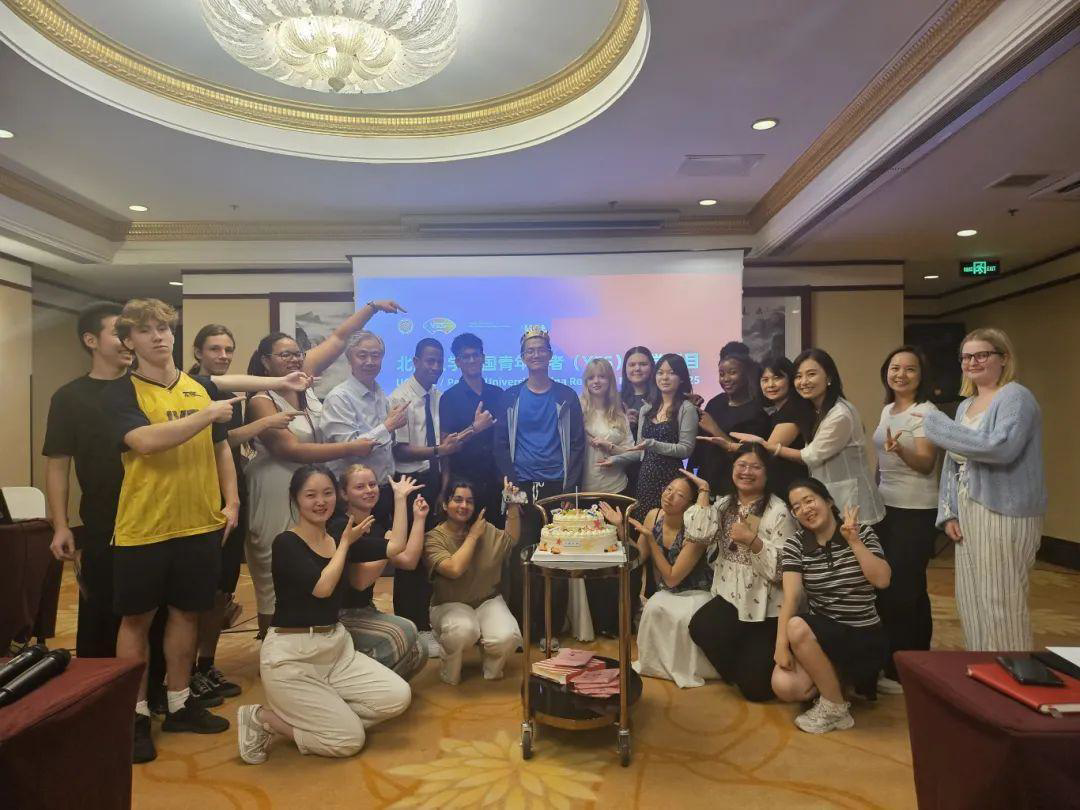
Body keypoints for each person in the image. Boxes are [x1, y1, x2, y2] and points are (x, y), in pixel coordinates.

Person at [104, 298, 310, 763]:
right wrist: (207, 415)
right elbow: (145, 442)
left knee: (187, 615)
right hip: (144, 525)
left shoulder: (196, 387)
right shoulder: (121, 392)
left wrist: (231, 500)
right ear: (130, 341)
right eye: (146, 330)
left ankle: (180, 702)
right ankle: (135, 714)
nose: (158, 337)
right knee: (136, 621)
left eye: (164, 328)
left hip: (199, 523)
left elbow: (220, 449)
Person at [235, 465, 411, 764]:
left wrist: (400, 498)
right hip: (292, 658)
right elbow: (322, 587)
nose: (321, 502)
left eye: (327, 493)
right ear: (295, 498)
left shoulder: (339, 539)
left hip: (336, 649)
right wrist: (345, 545)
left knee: (398, 697)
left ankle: (328, 716)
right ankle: (262, 718)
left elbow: (396, 546)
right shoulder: (286, 543)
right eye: (311, 495)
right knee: (349, 741)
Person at [247, 301, 403, 635]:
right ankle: (273, 642)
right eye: (284, 355)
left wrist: (372, 308)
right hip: (276, 487)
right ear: (265, 361)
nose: (294, 359)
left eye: (297, 353)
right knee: (274, 570)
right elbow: (289, 449)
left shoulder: (302, 383)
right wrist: (354, 446)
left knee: (316, 560)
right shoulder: (262, 397)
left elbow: (338, 338)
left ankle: (316, 633)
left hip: (311, 487)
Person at [188, 324, 298, 700]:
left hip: (231, 498)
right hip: (199, 499)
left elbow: (227, 445)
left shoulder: (228, 392)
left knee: (222, 590)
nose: (222, 355)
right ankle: (184, 673)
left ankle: (205, 664)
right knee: (198, 594)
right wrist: (264, 423)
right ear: (197, 352)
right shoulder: (190, 389)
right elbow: (214, 440)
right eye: (214, 349)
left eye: (228, 349)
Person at [922, 328, 1046, 651]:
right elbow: (952, 462)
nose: (972, 362)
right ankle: (983, 670)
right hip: (967, 505)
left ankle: (1012, 673)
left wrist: (936, 424)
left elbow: (1000, 447)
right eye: (966, 357)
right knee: (971, 599)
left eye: (982, 355)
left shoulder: (1015, 397)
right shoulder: (966, 405)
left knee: (1001, 600)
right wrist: (949, 512)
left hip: (1004, 508)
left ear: (1004, 358)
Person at [43, 302, 130, 659]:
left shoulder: (145, 388)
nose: (128, 341)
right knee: (101, 612)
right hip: (102, 520)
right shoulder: (69, 397)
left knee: (151, 613)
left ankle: (154, 686)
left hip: (156, 516)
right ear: (91, 340)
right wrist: (61, 525)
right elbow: (58, 465)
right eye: (119, 333)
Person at [772, 479, 891, 734]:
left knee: (798, 626)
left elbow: (882, 580)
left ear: (828, 501)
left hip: (863, 636)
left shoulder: (860, 531)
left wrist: (854, 542)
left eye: (809, 500)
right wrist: (780, 646)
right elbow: (791, 598)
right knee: (784, 685)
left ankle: (835, 708)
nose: (805, 509)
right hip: (824, 636)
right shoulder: (795, 544)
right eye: (796, 507)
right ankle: (836, 685)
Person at [494, 327, 585, 649]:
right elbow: (501, 444)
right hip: (520, 486)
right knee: (521, 560)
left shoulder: (566, 396)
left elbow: (577, 445)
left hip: (556, 487)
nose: (535, 354)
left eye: (540, 349)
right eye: (530, 350)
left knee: (555, 558)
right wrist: (511, 484)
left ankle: (550, 628)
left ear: (549, 355)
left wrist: (570, 489)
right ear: (523, 357)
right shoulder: (510, 397)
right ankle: (523, 628)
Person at [685, 444, 797, 702]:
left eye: (756, 467)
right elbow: (698, 535)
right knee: (701, 627)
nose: (747, 472)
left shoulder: (778, 511)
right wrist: (703, 492)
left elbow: (782, 570)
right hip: (730, 597)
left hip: (766, 606)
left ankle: (755, 668)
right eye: (741, 465)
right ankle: (746, 667)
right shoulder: (725, 504)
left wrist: (752, 540)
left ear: (767, 473)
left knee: (757, 692)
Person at [739, 349, 885, 527]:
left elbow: (811, 455)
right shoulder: (813, 409)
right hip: (823, 499)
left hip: (851, 504)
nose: (804, 381)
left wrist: (766, 446)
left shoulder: (839, 414)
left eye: (811, 374)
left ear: (829, 377)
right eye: (799, 376)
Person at [389, 338, 471, 653]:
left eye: (439, 362)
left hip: (436, 481)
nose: (435, 367)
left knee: (430, 552)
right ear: (415, 361)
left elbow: (446, 445)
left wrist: (445, 483)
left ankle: (427, 620)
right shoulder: (400, 397)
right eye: (429, 361)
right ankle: (411, 627)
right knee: (409, 556)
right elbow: (400, 449)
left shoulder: (439, 397)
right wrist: (439, 450)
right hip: (410, 482)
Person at [872, 346, 941, 692]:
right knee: (892, 586)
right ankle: (905, 661)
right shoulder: (888, 409)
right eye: (894, 368)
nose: (901, 374)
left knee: (905, 589)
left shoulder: (926, 413)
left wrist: (901, 450)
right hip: (886, 507)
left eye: (910, 369)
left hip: (915, 509)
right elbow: (879, 462)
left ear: (921, 375)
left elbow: (927, 463)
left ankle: (904, 670)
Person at [330, 466, 427, 681]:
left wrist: (419, 518)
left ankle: (380, 688)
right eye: (359, 487)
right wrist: (388, 546)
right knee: (405, 631)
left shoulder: (375, 526)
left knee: (419, 649)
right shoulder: (340, 526)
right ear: (344, 493)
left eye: (372, 484)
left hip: (365, 610)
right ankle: (352, 683)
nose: (369, 490)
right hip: (340, 615)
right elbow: (359, 581)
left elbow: (408, 561)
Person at [424, 477, 524, 685]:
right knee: (463, 630)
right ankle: (449, 672)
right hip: (449, 603)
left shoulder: (483, 529)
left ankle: (491, 670)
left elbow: (510, 540)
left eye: (469, 501)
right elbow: (454, 569)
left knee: (509, 636)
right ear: (445, 505)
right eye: (458, 500)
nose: (464, 506)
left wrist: (512, 505)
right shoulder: (434, 538)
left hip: (487, 600)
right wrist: (472, 537)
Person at [625, 475, 715, 688]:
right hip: (667, 589)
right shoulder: (654, 515)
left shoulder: (694, 528)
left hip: (696, 591)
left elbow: (673, 578)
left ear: (690, 504)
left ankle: (686, 667)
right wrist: (621, 528)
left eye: (680, 495)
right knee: (653, 608)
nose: (670, 496)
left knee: (681, 615)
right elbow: (639, 557)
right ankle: (653, 665)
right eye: (669, 489)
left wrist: (650, 539)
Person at [320, 329, 408, 517]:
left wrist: (394, 427)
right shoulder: (339, 398)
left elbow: (385, 445)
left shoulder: (380, 394)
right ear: (349, 358)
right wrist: (388, 426)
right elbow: (350, 448)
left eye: (375, 356)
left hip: (383, 489)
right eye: (362, 355)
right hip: (352, 496)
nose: (369, 361)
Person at [579, 357, 632, 638]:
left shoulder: (619, 413)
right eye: (591, 377)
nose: (596, 382)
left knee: (614, 558)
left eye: (602, 376)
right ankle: (595, 621)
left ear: (610, 380)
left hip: (616, 491)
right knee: (591, 561)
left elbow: (634, 452)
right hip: (586, 492)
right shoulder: (579, 410)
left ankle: (615, 621)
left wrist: (612, 451)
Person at [693, 343, 771, 496]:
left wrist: (714, 429)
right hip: (707, 480)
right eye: (722, 374)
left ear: (746, 374)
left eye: (732, 373)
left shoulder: (756, 412)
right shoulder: (715, 402)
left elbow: (750, 456)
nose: (726, 379)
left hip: (736, 486)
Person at [439, 333, 500, 522]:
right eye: (466, 357)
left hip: (495, 481)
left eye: (476, 355)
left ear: (483, 358)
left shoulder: (498, 394)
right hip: (463, 483)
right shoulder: (449, 398)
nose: (472, 360)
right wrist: (475, 428)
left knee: (496, 534)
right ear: (458, 362)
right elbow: (446, 445)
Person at [757, 356, 810, 495]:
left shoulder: (794, 408)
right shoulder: (778, 411)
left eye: (777, 378)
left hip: (792, 487)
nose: (770, 385)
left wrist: (729, 445)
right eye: (765, 380)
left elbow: (766, 452)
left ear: (791, 379)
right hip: (782, 485)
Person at [619, 346, 656, 497]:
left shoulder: (660, 397)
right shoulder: (616, 398)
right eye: (632, 364)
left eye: (643, 364)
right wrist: (625, 423)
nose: (637, 368)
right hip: (621, 469)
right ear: (625, 369)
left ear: (652, 367)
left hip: (653, 466)